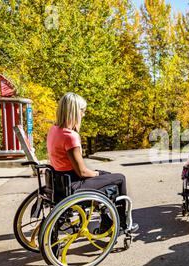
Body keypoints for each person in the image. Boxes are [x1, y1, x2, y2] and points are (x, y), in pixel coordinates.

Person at [47, 92, 129, 229]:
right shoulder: (70, 136)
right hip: (73, 184)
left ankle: (106, 219)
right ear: (74, 112)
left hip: (59, 180)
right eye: (82, 111)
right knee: (119, 178)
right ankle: (121, 222)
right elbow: (82, 172)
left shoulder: (54, 130)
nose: (83, 115)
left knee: (106, 175)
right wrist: (96, 173)